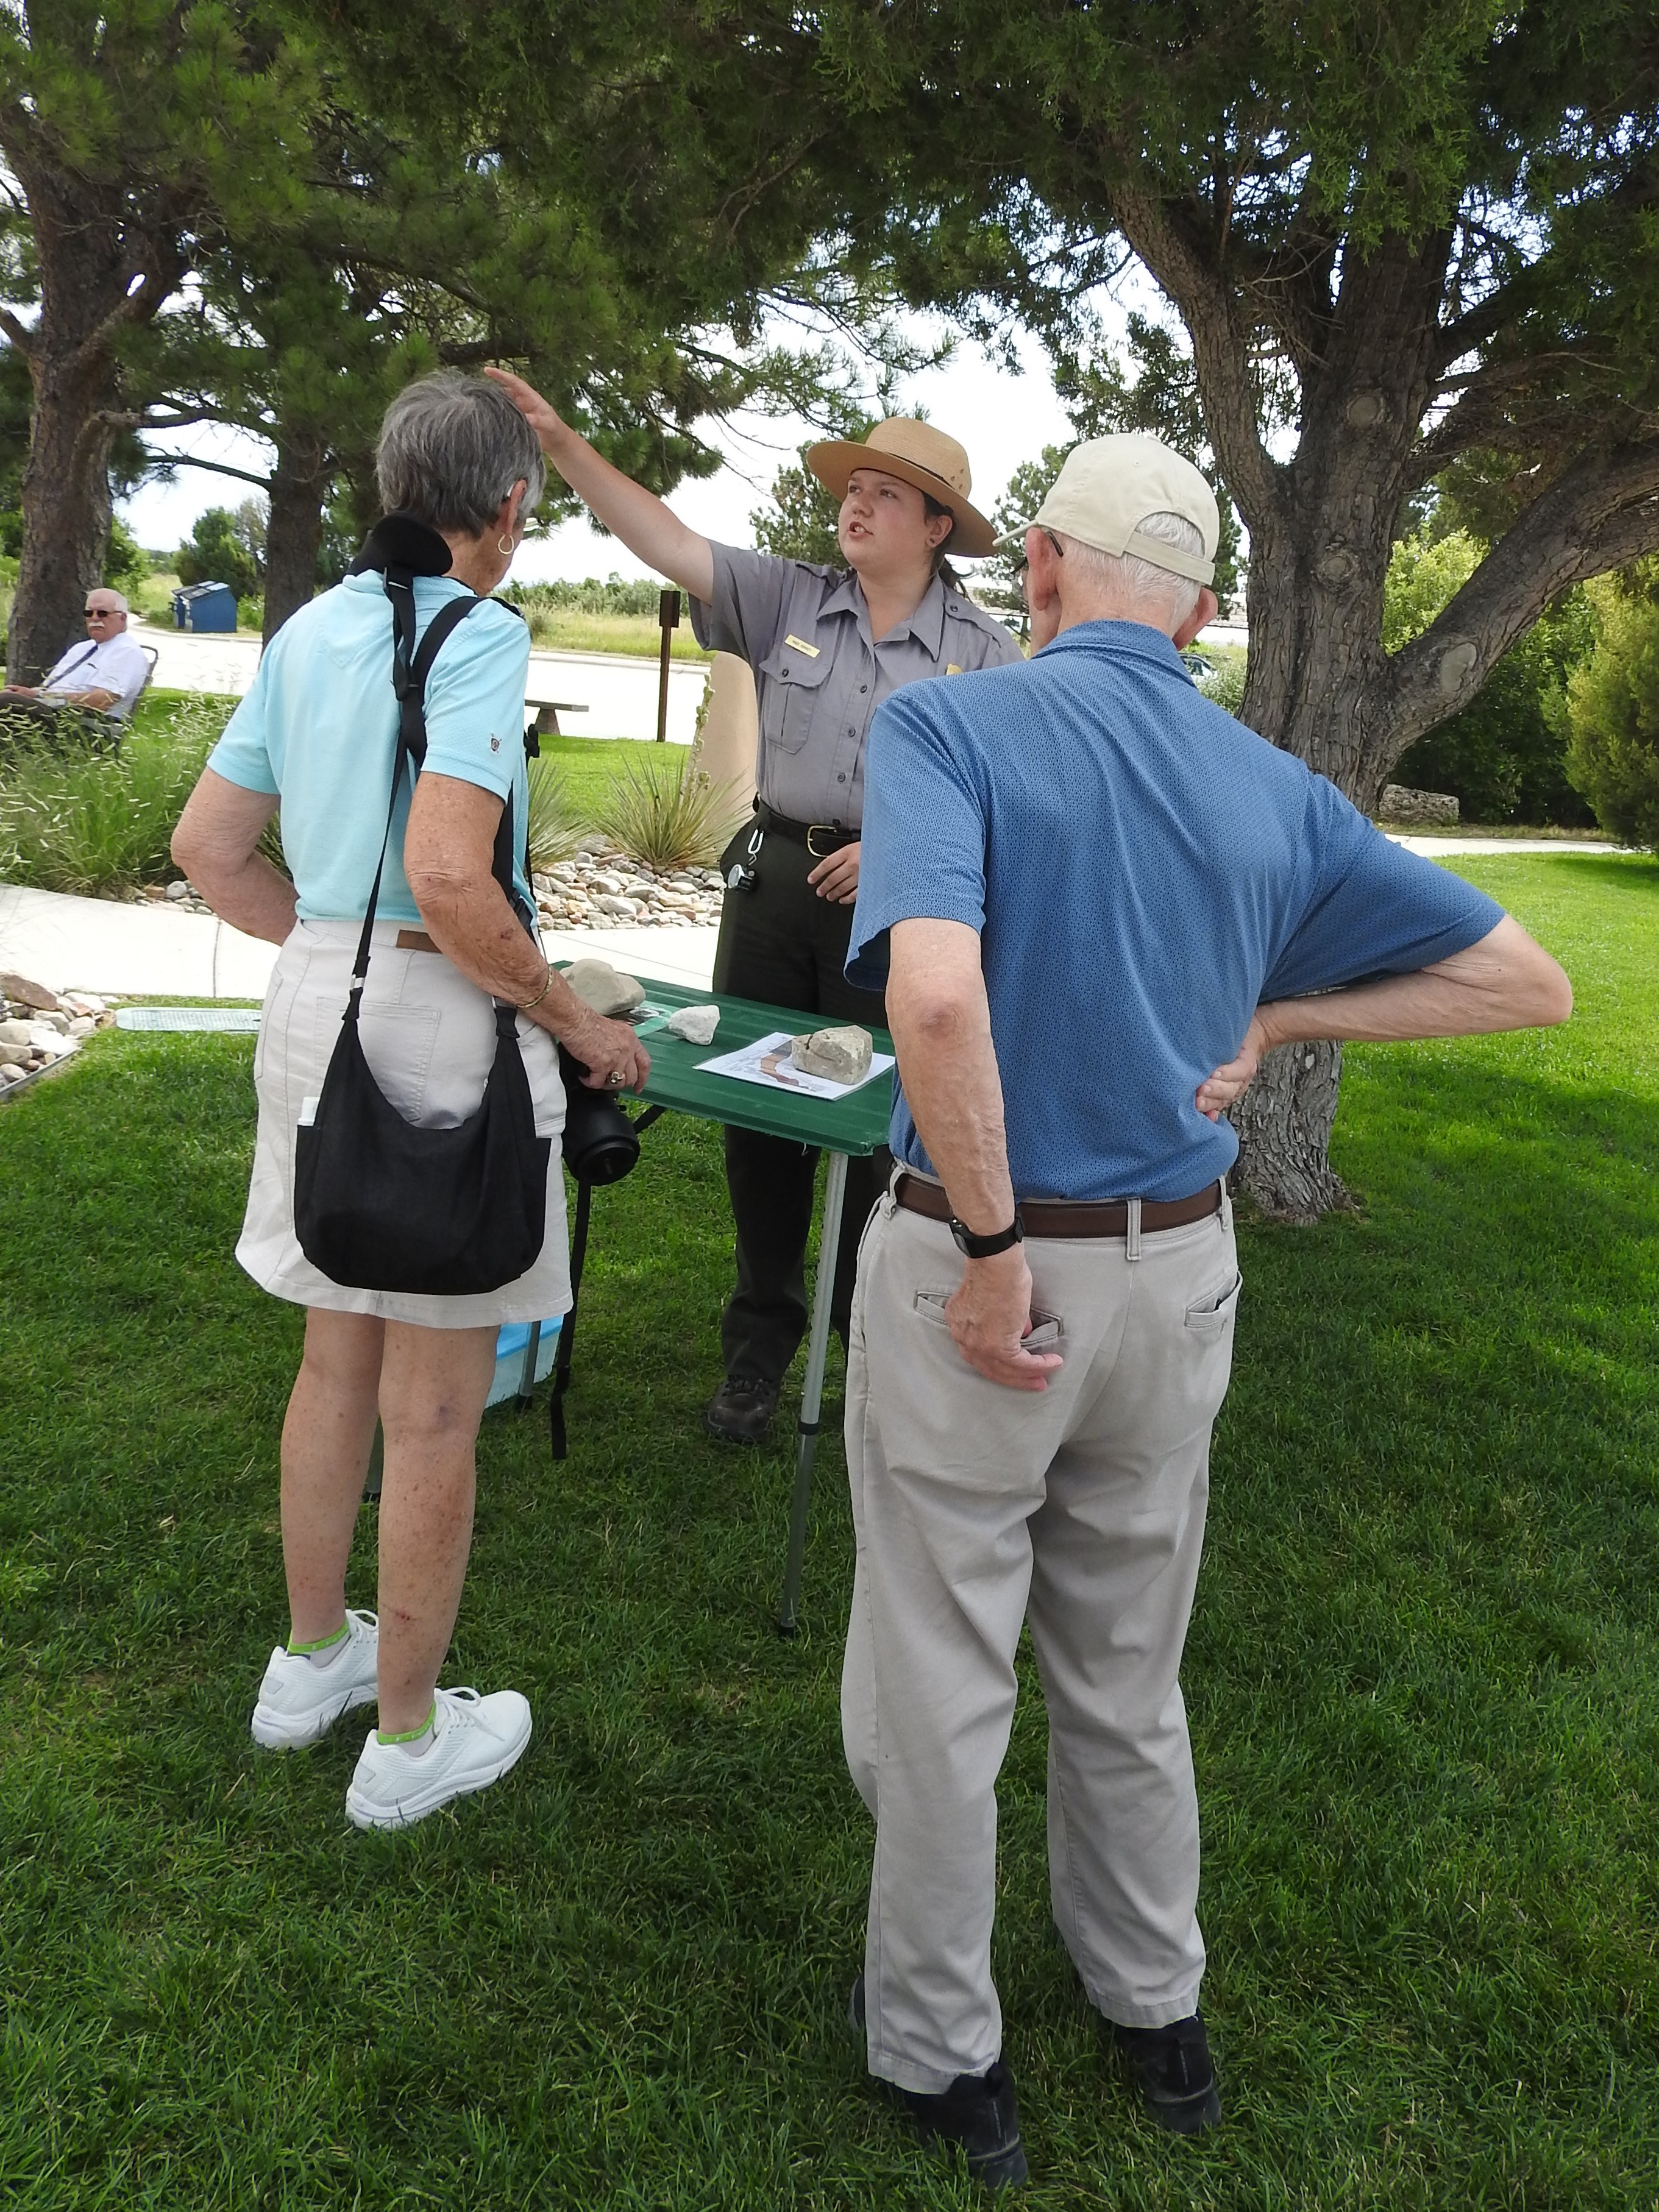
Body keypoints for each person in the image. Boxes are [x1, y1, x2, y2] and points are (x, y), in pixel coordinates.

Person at [837, 433, 1574, 2188]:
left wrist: (1002, 1246)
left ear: (1038, 563)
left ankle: (947, 2056)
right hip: (1179, 1272)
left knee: (941, 1673)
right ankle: (1154, 2002)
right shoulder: (1275, 787)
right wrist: (1282, 1022)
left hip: (980, 1264)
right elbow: (1522, 979)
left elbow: (934, 1005)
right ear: (1202, 608)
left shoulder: (949, 725)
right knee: (1126, 1655)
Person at [171, 371, 650, 1832]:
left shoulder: (312, 625)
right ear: (508, 506)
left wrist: (327, 945)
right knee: (435, 1407)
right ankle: (403, 1734)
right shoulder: (477, 629)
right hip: (440, 1018)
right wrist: (571, 1016)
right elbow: (450, 875)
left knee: (335, 1366)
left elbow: (207, 844)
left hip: (318, 997)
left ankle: (309, 1658)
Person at [486, 367, 1023, 1444]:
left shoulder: (985, 655)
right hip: (774, 887)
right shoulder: (784, 596)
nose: (854, 504)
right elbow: (667, 540)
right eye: (852, 486)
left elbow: (1005, 811)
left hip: (900, 906)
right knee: (760, 1127)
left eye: (884, 492)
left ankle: (868, 1344)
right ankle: (759, 1353)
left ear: (935, 527)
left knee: (883, 1132)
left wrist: (900, 849)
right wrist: (563, 445)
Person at [1, 587, 150, 731]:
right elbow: (49, 689)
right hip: (53, 713)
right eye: (89, 613)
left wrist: (39, 696)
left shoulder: (127, 652)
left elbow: (102, 701)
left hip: (87, 724)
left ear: (122, 618)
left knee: (7, 702)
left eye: (102, 613)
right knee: (8, 697)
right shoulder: (81, 648)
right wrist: (27, 693)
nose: (94, 618)